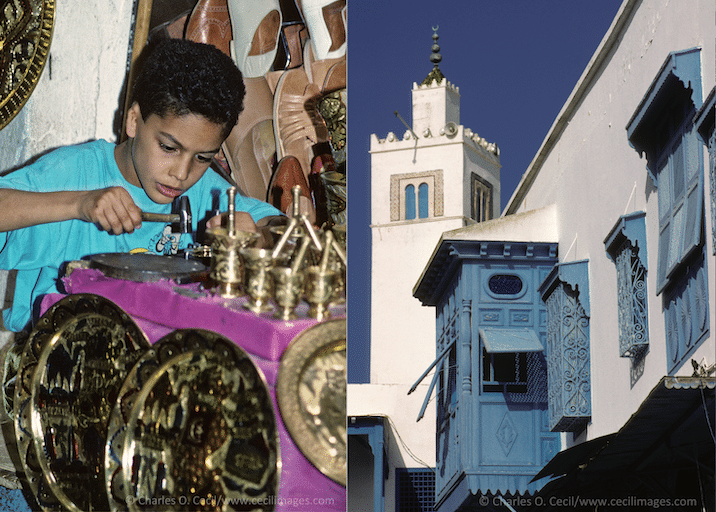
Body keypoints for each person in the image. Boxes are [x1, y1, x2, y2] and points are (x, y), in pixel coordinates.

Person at [0, 38, 285, 333]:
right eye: (168, 148)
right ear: (134, 121)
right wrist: (78, 204)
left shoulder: (209, 194)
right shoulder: (76, 173)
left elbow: (284, 231)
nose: (182, 173)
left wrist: (259, 238)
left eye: (202, 157)